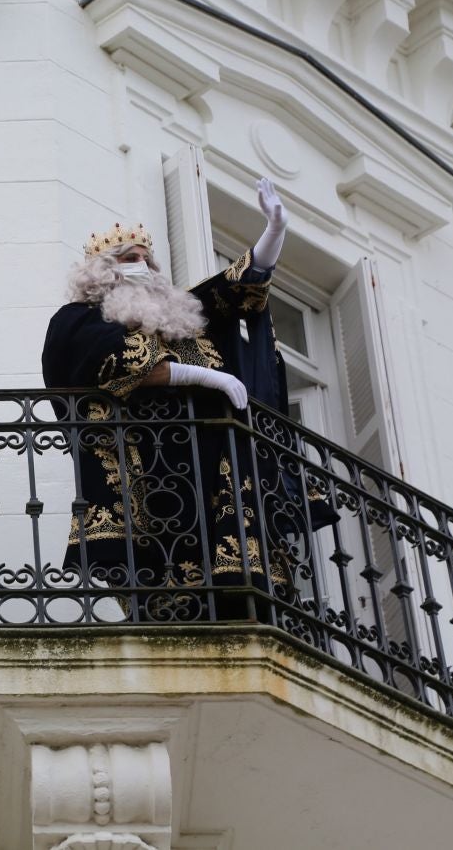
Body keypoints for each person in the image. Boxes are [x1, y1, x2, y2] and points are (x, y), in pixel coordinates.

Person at [42, 178, 330, 620]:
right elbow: (116, 363)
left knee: (222, 553)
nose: (143, 265)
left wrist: (275, 231)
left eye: (147, 259)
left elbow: (240, 290)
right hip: (147, 463)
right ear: (102, 271)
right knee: (167, 562)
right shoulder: (80, 320)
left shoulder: (180, 317)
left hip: (210, 459)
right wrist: (204, 377)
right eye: (129, 259)